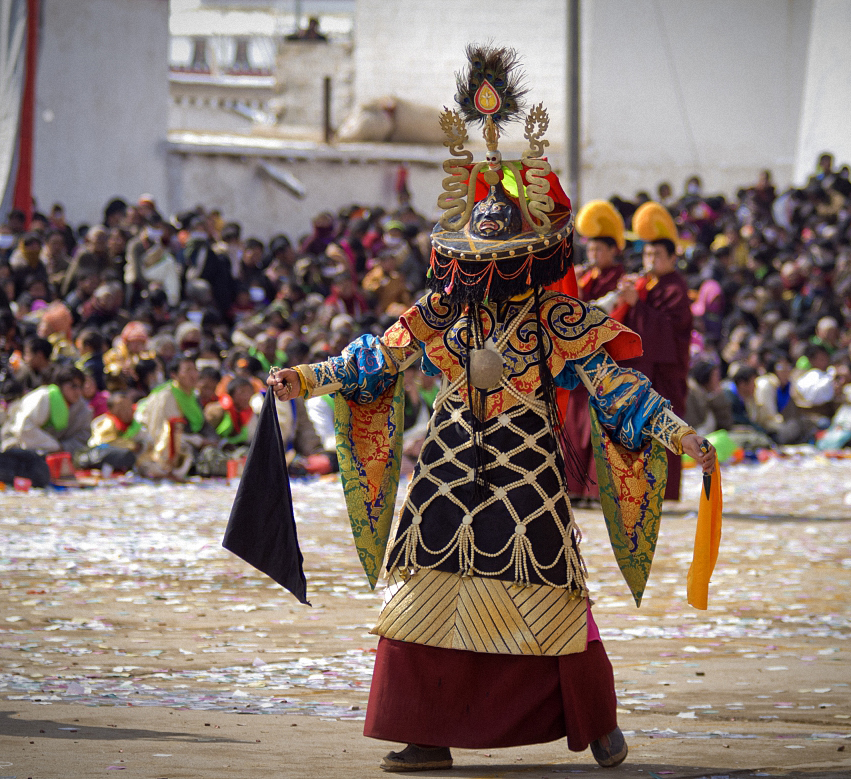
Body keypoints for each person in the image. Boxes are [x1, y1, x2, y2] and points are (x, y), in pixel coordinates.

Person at [267, 46, 716, 773]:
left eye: (494, 258)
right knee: (425, 589)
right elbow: (374, 355)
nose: (480, 269)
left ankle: (594, 719)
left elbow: (614, 385)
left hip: (524, 460)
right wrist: (305, 378)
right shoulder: (445, 307)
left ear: (526, 258)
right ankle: (425, 729)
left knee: (553, 584)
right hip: (448, 457)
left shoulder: (554, 316)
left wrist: (677, 431)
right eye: (472, 257)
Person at [612, 201, 694, 500]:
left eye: (657, 255)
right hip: (639, 372)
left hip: (664, 373)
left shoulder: (675, 288)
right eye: (647, 254)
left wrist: (638, 305)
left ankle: (662, 489)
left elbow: (669, 333)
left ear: (673, 258)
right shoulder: (645, 284)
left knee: (663, 427)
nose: (650, 260)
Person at [563, 199, 627, 504]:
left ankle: (596, 490)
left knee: (598, 425)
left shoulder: (621, 280)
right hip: (575, 359)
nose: (593, 256)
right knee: (573, 424)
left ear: (613, 251)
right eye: (589, 250)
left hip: (601, 362)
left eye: (598, 250)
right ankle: (574, 487)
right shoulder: (584, 277)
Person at [0, 365, 92, 455]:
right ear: (60, 384)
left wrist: (63, 448)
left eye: (80, 387)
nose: (78, 392)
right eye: (73, 386)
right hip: (17, 448)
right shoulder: (44, 397)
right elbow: (24, 427)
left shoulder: (83, 410)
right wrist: (54, 446)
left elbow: (82, 437)